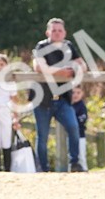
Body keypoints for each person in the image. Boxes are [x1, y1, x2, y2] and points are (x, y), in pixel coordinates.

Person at [32, 18, 86, 172]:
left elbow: (83, 65)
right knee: (42, 136)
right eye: (53, 30)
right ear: (48, 32)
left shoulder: (68, 46)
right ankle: (43, 168)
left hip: (62, 98)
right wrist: (62, 72)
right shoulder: (42, 46)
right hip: (42, 98)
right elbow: (38, 67)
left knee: (73, 128)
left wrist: (75, 70)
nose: (57, 33)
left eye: (59, 30)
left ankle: (75, 163)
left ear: (65, 32)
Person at [71, 84, 89, 172]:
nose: (75, 95)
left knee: (81, 154)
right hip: (70, 135)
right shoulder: (69, 106)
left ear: (82, 94)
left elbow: (83, 119)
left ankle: (84, 169)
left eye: (78, 92)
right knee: (71, 154)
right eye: (73, 92)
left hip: (80, 135)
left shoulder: (82, 106)